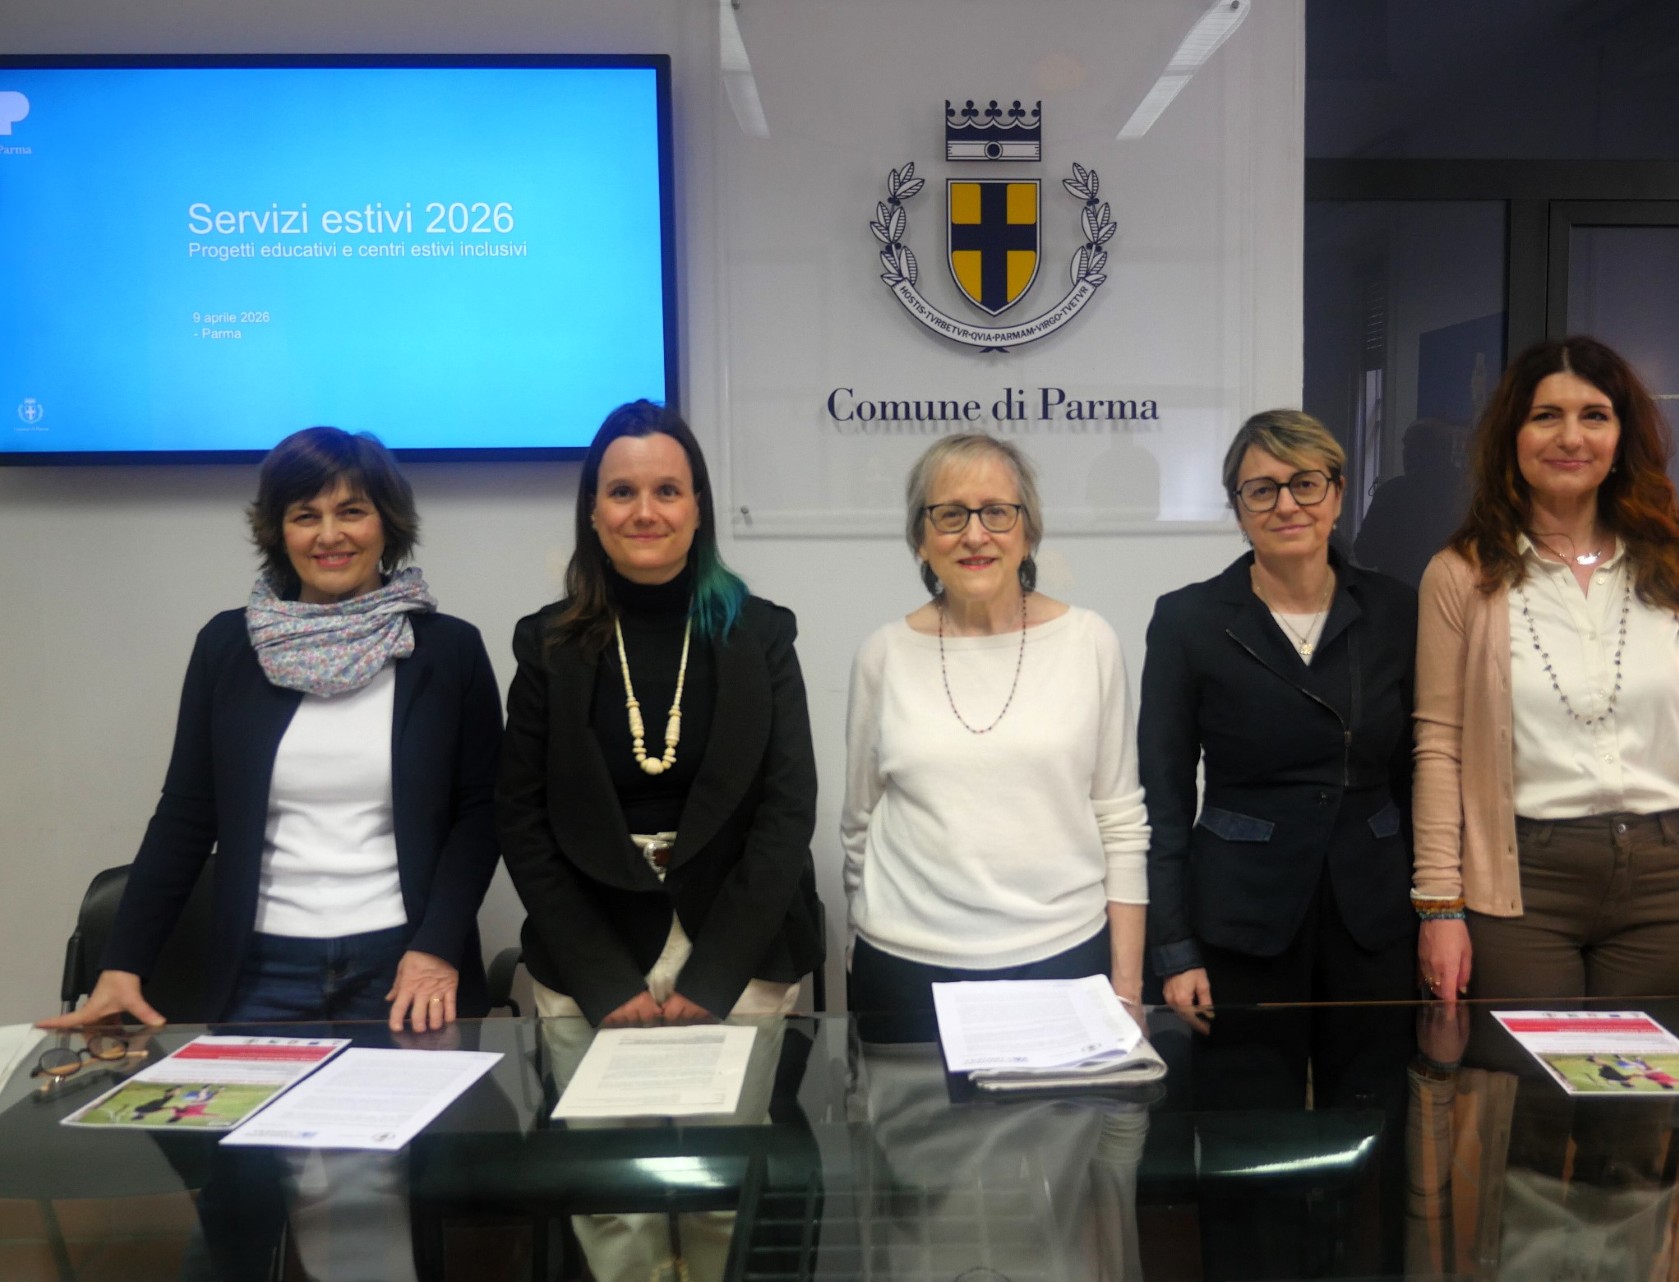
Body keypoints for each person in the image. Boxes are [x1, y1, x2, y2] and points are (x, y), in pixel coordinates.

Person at [40, 426, 502, 1034]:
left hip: (406, 966)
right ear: (278, 532)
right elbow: (186, 814)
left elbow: (482, 813)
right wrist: (124, 962)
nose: (329, 535)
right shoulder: (228, 647)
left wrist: (437, 946)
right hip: (261, 971)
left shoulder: (448, 650)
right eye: (305, 515)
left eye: (352, 511)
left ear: (386, 524)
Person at [1412, 336, 1679, 1002]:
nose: (1570, 437)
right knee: (1522, 1072)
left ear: (1621, 436)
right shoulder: (1460, 575)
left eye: (1595, 416)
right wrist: (1439, 906)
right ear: (1512, 436)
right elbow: (1439, 746)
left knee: (1646, 1074)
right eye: (1546, 416)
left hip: (1674, 880)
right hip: (1521, 883)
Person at [496, 399, 823, 1028]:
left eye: (667, 491)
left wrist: (716, 976)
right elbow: (521, 820)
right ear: (593, 511)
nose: (645, 512)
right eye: (622, 492)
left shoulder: (763, 636)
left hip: (739, 961)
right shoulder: (546, 645)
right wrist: (602, 978)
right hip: (590, 966)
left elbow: (787, 811)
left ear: (698, 507)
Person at [842, 434, 1149, 1015]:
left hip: (1062, 956)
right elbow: (859, 820)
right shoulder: (883, 654)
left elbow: (1121, 822)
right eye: (950, 515)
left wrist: (1128, 988)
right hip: (906, 966)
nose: (975, 534)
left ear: (1028, 531)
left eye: (997, 512)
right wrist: (862, 936)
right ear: (921, 539)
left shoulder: (1090, 642)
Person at [1140, 409, 1419, 1015]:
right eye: (1262, 490)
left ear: (1338, 493)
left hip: (1374, 913)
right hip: (1240, 916)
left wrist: (1439, 915)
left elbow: (1417, 775)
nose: (1287, 505)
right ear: (1238, 508)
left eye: (1306, 484)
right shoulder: (1188, 621)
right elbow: (1164, 797)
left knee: (1375, 1078)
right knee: (1246, 1079)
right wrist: (1175, 949)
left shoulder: (1395, 610)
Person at [1352, 416, 1466, 589]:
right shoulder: (1469, 492)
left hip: (1402, 594)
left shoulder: (1392, 494)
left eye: (1418, 447)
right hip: (1451, 594)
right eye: (1407, 447)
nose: (1407, 454)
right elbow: (1364, 553)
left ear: (1442, 451)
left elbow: (1365, 554)